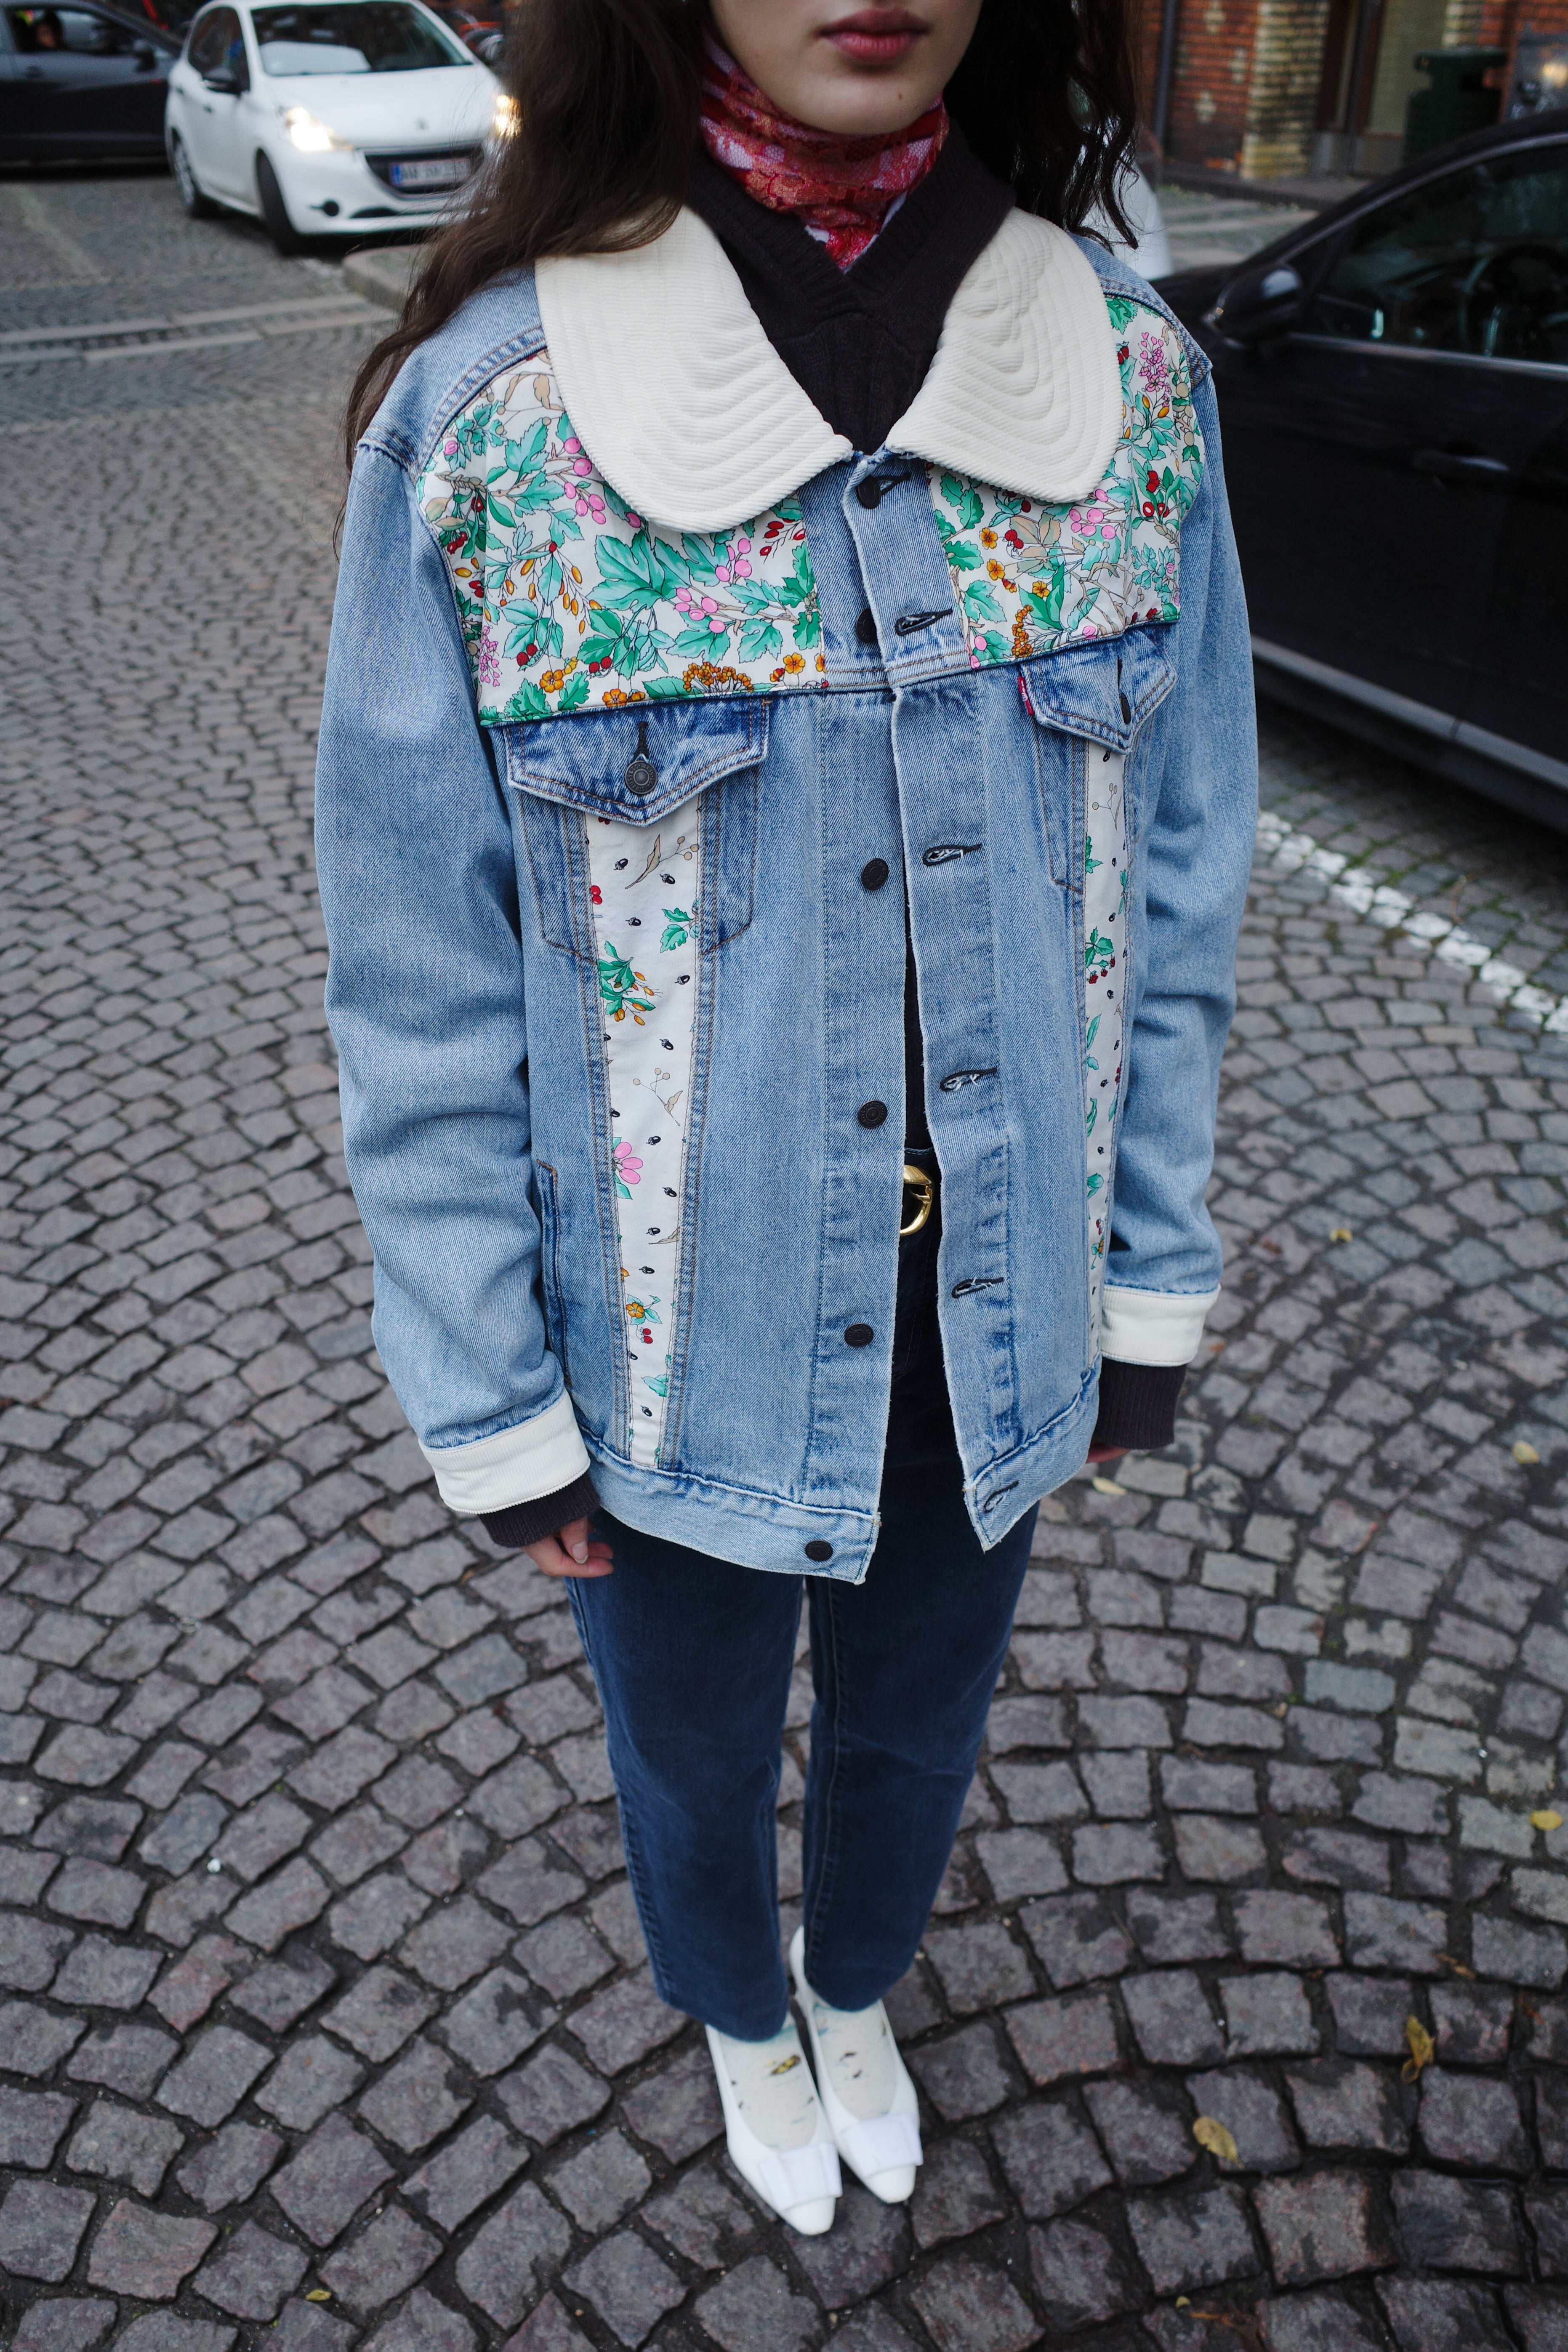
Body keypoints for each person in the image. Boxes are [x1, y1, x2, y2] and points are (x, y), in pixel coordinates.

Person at [318, 0, 1255, 2240]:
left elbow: (1187, 876)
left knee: (923, 1726)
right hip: (667, 1341)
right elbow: (420, 969)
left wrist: (1144, 1277)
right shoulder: (498, 420)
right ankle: (740, 2003)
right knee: (694, 1741)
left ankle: (856, 1982)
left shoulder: (1129, 391)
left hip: (1001, 1324)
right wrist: (487, 1389)